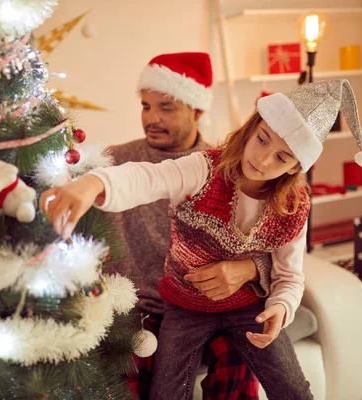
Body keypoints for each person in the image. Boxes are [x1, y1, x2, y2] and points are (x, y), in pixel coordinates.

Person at [41, 73, 362, 398]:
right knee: (167, 391)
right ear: (251, 129)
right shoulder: (203, 168)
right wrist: (93, 183)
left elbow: (290, 275)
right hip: (185, 306)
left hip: (248, 306)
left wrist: (281, 310)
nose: (262, 158)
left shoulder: (291, 207)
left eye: (282, 157)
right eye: (262, 139)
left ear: (294, 168)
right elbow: (147, 178)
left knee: (292, 388)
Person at [108, 52, 268, 399]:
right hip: (135, 308)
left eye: (166, 107)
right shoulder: (117, 161)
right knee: (123, 372)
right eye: (146, 106)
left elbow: (272, 246)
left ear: (197, 110)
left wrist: (250, 269)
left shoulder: (227, 170)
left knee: (239, 358)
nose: (151, 118)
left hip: (203, 307)